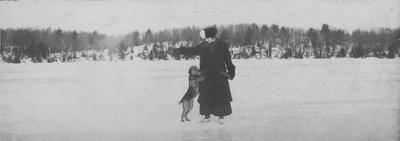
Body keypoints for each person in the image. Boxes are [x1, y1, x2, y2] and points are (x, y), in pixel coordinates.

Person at [174, 27, 235, 124]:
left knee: (220, 96)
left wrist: (231, 73)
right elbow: (192, 51)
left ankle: (221, 117)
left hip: (219, 75)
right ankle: (207, 116)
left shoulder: (222, 46)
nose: (206, 40)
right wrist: (180, 50)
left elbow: (228, 61)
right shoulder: (202, 46)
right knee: (206, 96)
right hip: (206, 75)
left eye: (209, 38)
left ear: (214, 37)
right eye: (206, 38)